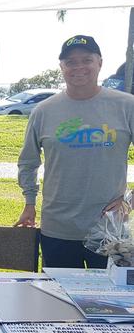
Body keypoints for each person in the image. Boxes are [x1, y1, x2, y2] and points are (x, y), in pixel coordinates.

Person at [15, 35, 134, 268]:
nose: (78, 67)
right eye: (70, 62)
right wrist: (29, 202)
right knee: (56, 298)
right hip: (58, 229)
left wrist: (130, 200)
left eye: (86, 60)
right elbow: (28, 162)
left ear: (99, 62)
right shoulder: (43, 111)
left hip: (110, 229)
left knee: (114, 300)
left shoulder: (126, 106)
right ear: (61, 67)